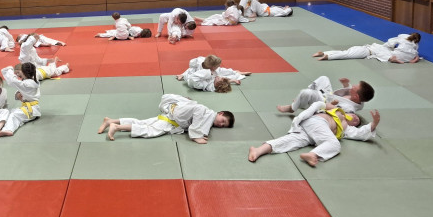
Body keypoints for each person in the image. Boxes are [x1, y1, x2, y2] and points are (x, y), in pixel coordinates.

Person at [249, 101, 380, 166]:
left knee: (287, 142)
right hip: (317, 122)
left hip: (310, 135)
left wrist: (374, 124)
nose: (355, 119)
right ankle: (312, 154)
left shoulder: (347, 129)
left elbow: (361, 134)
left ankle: (258, 150)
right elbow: (320, 104)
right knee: (335, 144)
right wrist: (330, 104)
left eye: (357, 122)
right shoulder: (338, 111)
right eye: (355, 116)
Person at [97, 94, 235, 143]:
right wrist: (198, 135)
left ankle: (111, 121)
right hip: (171, 121)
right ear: (220, 113)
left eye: (223, 126)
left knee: (142, 122)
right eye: (222, 121)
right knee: (149, 131)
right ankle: (117, 127)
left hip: (169, 115)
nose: (220, 124)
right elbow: (199, 121)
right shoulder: (208, 114)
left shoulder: (206, 115)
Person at [277, 76, 374, 114]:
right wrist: (345, 84)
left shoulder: (349, 107)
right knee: (324, 78)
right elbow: (347, 90)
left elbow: (336, 112)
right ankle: (303, 101)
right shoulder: (356, 97)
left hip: (323, 102)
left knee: (305, 92)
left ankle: (292, 108)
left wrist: (333, 104)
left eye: (355, 87)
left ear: (356, 97)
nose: (353, 86)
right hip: (328, 94)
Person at [0, 63, 40, 137]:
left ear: (24, 72)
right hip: (28, 109)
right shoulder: (31, 81)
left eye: (19, 72)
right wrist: (18, 94)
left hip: (31, 110)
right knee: (8, 111)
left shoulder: (27, 83)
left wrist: (10, 70)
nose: (18, 75)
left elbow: (13, 81)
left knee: (14, 115)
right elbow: (23, 90)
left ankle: (8, 130)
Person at [312, 33, 421, 63]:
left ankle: (325, 54)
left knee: (346, 53)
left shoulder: (403, 38)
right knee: (346, 54)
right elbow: (415, 57)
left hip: (368, 50)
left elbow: (389, 44)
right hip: (367, 51)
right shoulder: (414, 48)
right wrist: (414, 60)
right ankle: (325, 55)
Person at [176, 55, 251, 93]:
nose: (218, 77)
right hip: (192, 75)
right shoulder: (200, 64)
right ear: (212, 67)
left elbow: (222, 80)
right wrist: (233, 80)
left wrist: (210, 73)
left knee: (222, 71)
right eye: (217, 65)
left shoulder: (212, 77)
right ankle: (182, 75)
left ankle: (236, 72)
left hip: (198, 76)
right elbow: (192, 75)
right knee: (189, 71)